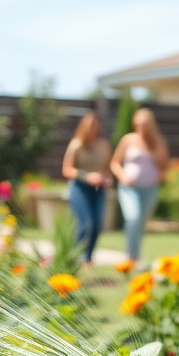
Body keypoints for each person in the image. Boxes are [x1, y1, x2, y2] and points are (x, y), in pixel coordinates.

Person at [110, 108, 168, 264]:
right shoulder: (128, 140)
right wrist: (122, 176)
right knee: (133, 217)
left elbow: (164, 166)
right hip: (130, 188)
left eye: (145, 125)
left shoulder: (158, 142)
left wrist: (157, 177)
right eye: (138, 124)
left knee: (141, 223)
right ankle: (130, 255)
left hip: (150, 189)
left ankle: (136, 256)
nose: (141, 128)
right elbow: (115, 162)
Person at [62, 112, 113, 265]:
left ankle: (88, 259)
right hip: (79, 187)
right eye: (91, 125)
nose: (94, 129)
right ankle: (77, 257)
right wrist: (86, 176)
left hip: (98, 189)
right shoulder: (76, 145)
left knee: (97, 224)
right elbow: (67, 170)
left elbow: (106, 169)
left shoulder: (104, 145)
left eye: (97, 125)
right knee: (85, 223)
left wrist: (107, 179)